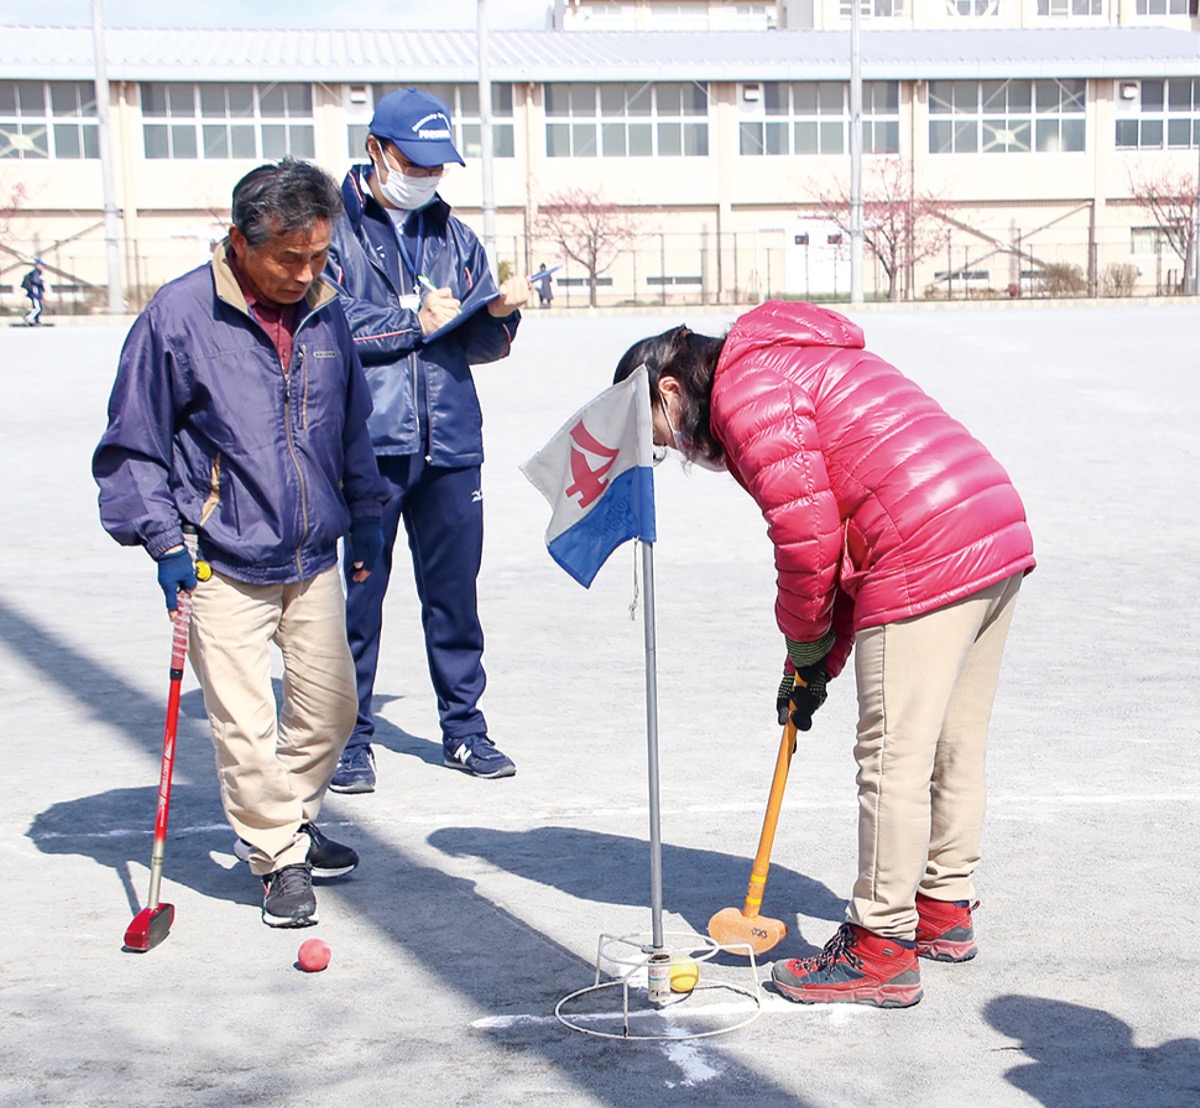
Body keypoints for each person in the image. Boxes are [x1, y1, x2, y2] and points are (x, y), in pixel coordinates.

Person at [614, 301, 1035, 1008]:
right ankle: (942, 906)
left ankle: (881, 947)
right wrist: (814, 667)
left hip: (923, 545)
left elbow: (809, 546)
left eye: (660, 440)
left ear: (669, 390)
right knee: (954, 742)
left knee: (892, 755)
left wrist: (806, 651)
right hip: (990, 523)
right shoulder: (785, 355)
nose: (676, 453)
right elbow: (833, 530)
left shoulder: (746, 397)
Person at [93, 159, 390, 929]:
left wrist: (365, 518)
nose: (305, 272)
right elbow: (134, 445)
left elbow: (350, 428)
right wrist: (163, 543)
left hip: (311, 553)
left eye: (319, 255)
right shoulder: (179, 316)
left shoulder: (326, 312)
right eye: (288, 258)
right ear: (239, 240)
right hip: (218, 556)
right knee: (244, 725)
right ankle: (278, 858)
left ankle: (285, 817)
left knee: (331, 711)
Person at [324, 87, 530, 793]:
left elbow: (473, 341)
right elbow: (326, 322)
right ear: (376, 150)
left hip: (449, 441)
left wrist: (501, 314)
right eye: (416, 162)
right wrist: (409, 321)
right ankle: (349, 738)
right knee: (359, 596)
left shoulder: (453, 235)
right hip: (366, 446)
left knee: (454, 594)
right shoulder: (330, 229)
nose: (428, 178)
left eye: (440, 166)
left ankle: (464, 729)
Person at [21, 258, 44, 325]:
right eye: (42, 265)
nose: (43, 267)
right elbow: (35, 281)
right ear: (38, 265)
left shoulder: (37, 272)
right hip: (35, 294)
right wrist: (41, 281)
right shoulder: (36, 272)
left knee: (38, 307)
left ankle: (36, 321)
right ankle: (28, 318)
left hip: (35, 294)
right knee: (37, 308)